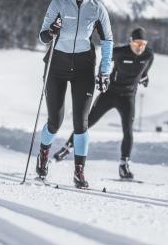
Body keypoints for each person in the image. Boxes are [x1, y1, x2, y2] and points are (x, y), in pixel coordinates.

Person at [36, 0, 113, 189]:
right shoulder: (58, 3)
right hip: (56, 65)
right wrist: (52, 32)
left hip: (83, 67)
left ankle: (79, 171)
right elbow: (42, 36)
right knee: (55, 121)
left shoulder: (97, 8)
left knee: (81, 123)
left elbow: (108, 40)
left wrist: (105, 70)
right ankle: (43, 154)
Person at [54, 27, 153, 180]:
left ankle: (123, 166)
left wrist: (144, 77)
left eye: (143, 44)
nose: (140, 47)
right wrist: (101, 75)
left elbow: (144, 71)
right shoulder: (119, 52)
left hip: (128, 97)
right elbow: (105, 62)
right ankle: (66, 148)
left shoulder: (149, 56)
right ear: (130, 42)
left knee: (128, 131)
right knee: (87, 122)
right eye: (136, 44)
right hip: (110, 93)